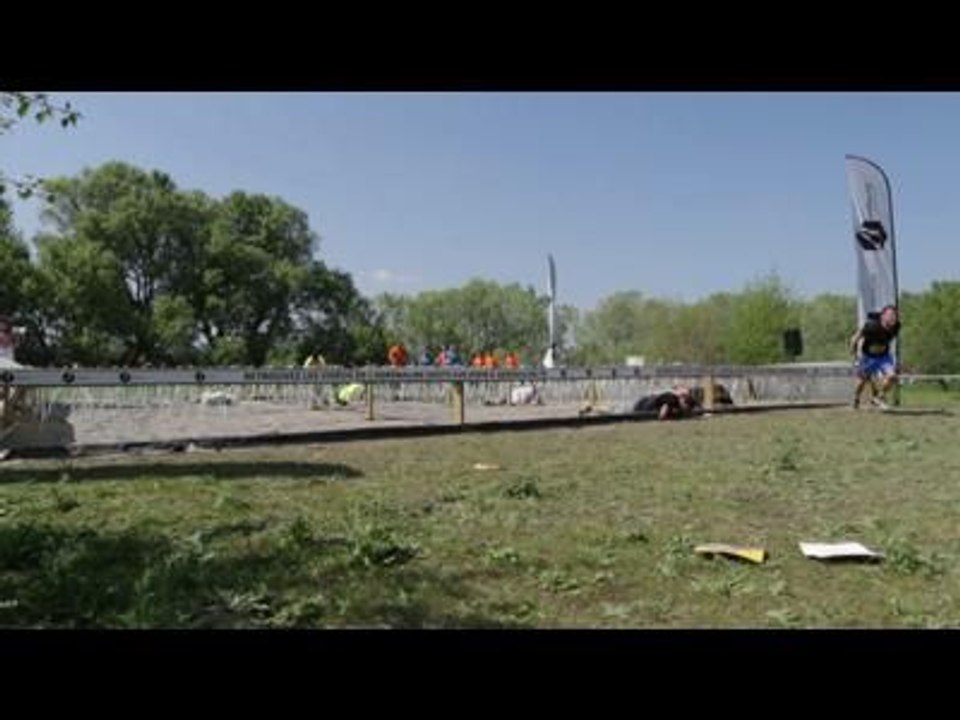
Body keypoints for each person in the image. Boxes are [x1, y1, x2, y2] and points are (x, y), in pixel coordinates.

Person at [850, 304, 900, 410]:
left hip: (883, 357)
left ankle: (879, 397)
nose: (892, 317)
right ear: (882, 316)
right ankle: (856, 398)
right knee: (861, 382)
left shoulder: (896, 326)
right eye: (890, 315)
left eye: (894, 315)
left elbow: (887, 339)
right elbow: (854, 339)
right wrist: (855, 356)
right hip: (868, 357)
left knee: (892, 376)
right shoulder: (871, 326)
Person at [632, 385, 700, 421]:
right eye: (683, 396)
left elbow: (701, 410)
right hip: (642, 409)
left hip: (644, 405)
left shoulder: (689, 399)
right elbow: (662, 415)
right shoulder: (670, 397)